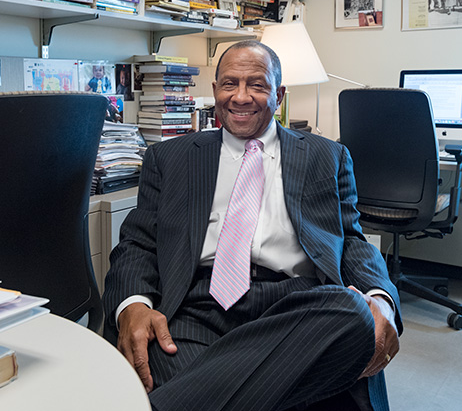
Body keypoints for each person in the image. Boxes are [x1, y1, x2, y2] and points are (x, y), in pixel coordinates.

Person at [103, 40, 402, 411]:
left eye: (257, 85)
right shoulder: (170, 157)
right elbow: (137, 243)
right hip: (199, 306)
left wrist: (381, 298)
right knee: (160, 350)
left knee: (352, 312)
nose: (241, 97)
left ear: (278, 94)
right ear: (214, 92)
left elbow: (353, 240)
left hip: (298, 307)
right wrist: (133, 304)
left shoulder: (328, 156)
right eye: (230, 84)